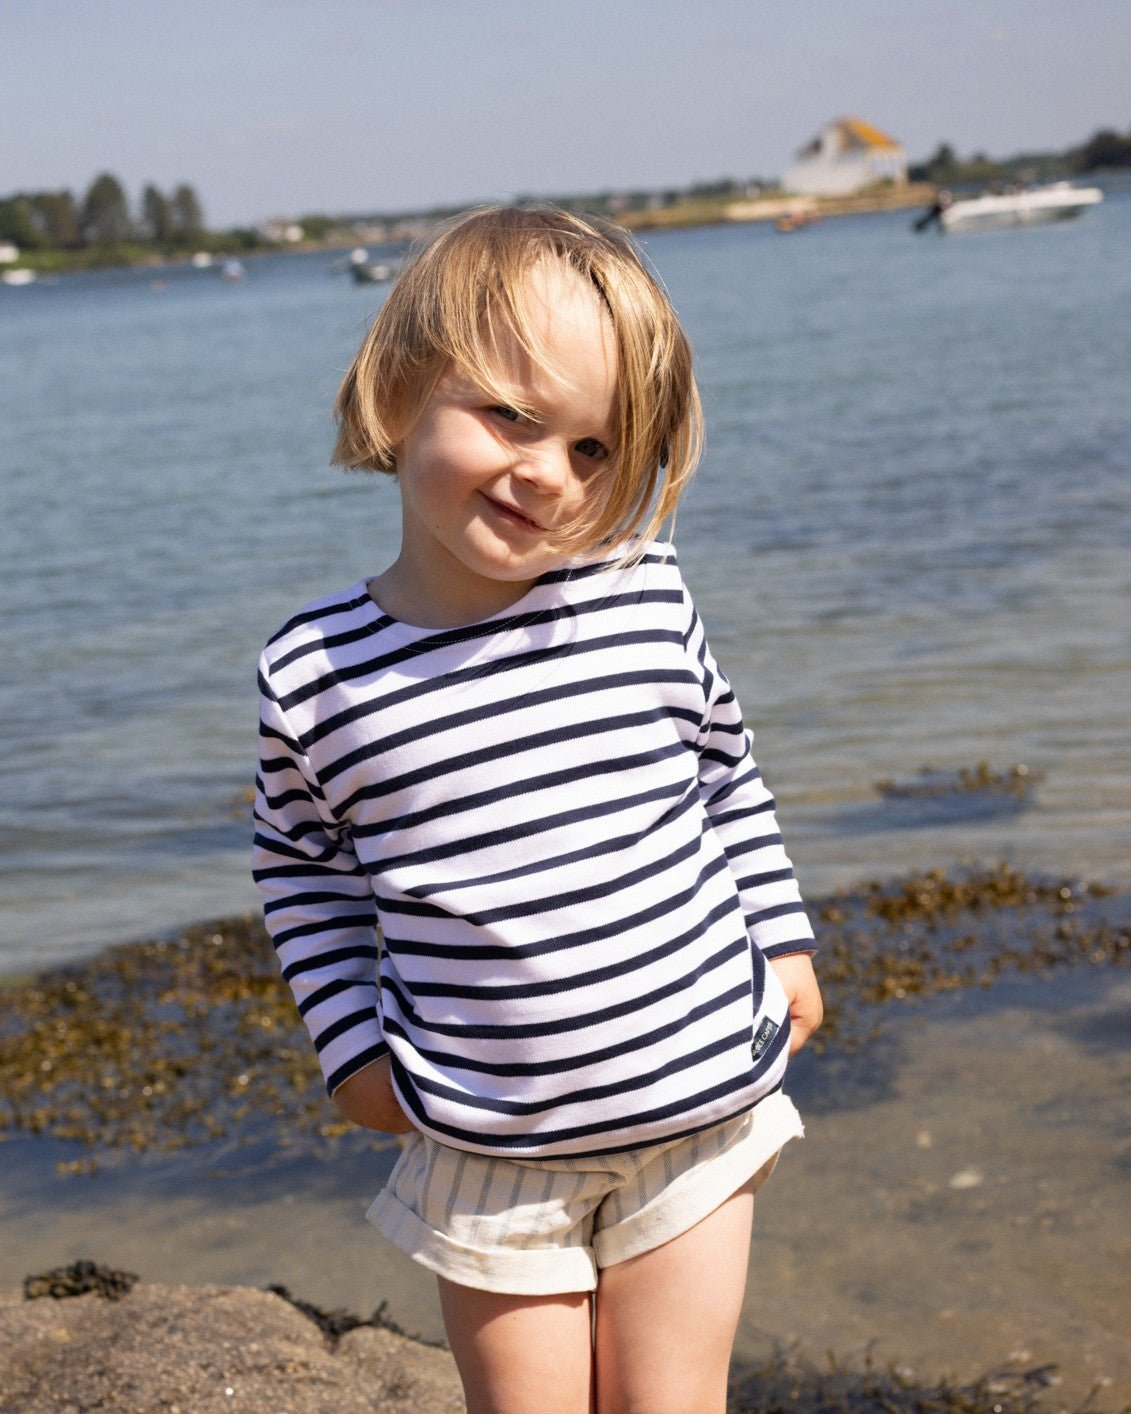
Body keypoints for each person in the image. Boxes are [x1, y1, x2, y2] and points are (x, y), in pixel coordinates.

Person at [253, 204, 822, 1414]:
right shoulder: (317, 672)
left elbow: (724, 774)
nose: (548, 474)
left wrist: (782, 940)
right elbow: (301, 871)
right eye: (512, 415)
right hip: (489, 1142)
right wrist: (351, 1043)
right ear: (401, 387)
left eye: (596, 450)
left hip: (698, 1106)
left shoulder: (641, 598)